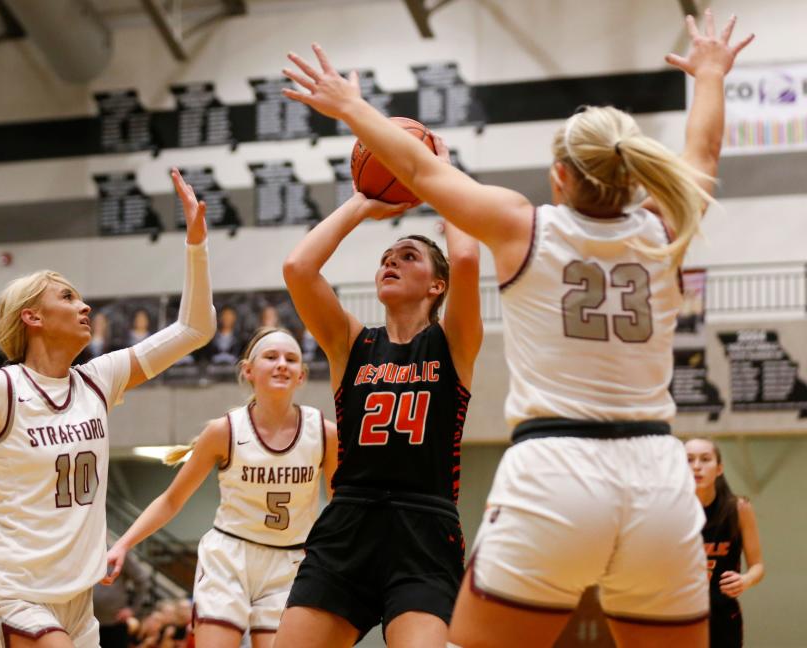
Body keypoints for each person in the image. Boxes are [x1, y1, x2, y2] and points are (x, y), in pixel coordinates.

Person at [281, 9, 752, 648]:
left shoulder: (526, 225)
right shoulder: (666, 228)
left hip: (555, 467)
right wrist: (712, 74)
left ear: (560, 175)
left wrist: (350, 106)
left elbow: (420, 177)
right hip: (655, 474)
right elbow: (704, 153)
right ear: (638, 173)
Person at [0, 167, 217, 648]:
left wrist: (196, 244)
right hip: (11, 588)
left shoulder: (99, 379)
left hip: (76, 599)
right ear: (32, 317)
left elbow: (195, 329)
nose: (85, 306)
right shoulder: (1, 387)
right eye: (68, 296)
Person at [275, 132, 483, 646]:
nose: (391, 261)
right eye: (387, 257)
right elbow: (299, 269)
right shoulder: (352, 343)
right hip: (349, 522)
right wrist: (362, 204)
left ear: (438, 286)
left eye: (409, 257)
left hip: (424, 529)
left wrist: (442, 175)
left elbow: (470, 259)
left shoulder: (451, 342)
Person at [104, 327, 339, 648]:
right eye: (271, 357)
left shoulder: (324, 433)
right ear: (248, 371)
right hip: (230, 557)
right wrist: (124, 544)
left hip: (289, 562)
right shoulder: (225, 431)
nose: (282, 363)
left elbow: (341, 505)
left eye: (291, 359)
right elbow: (172, 500)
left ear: (301, 376)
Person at [685, 438, 764, 648]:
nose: (696, 466)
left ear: (719, 468)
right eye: (689, 460)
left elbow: (758, 566)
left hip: (722, 615)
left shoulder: (738, 509)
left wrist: (745, 580)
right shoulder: (671, 511)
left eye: (705, 459)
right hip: (680, 613)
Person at [91, 547, 149, 648]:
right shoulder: (82, 550)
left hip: (114, 624)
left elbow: (142, 580)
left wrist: (133, 609)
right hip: (85, 623)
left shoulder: (117, 551)